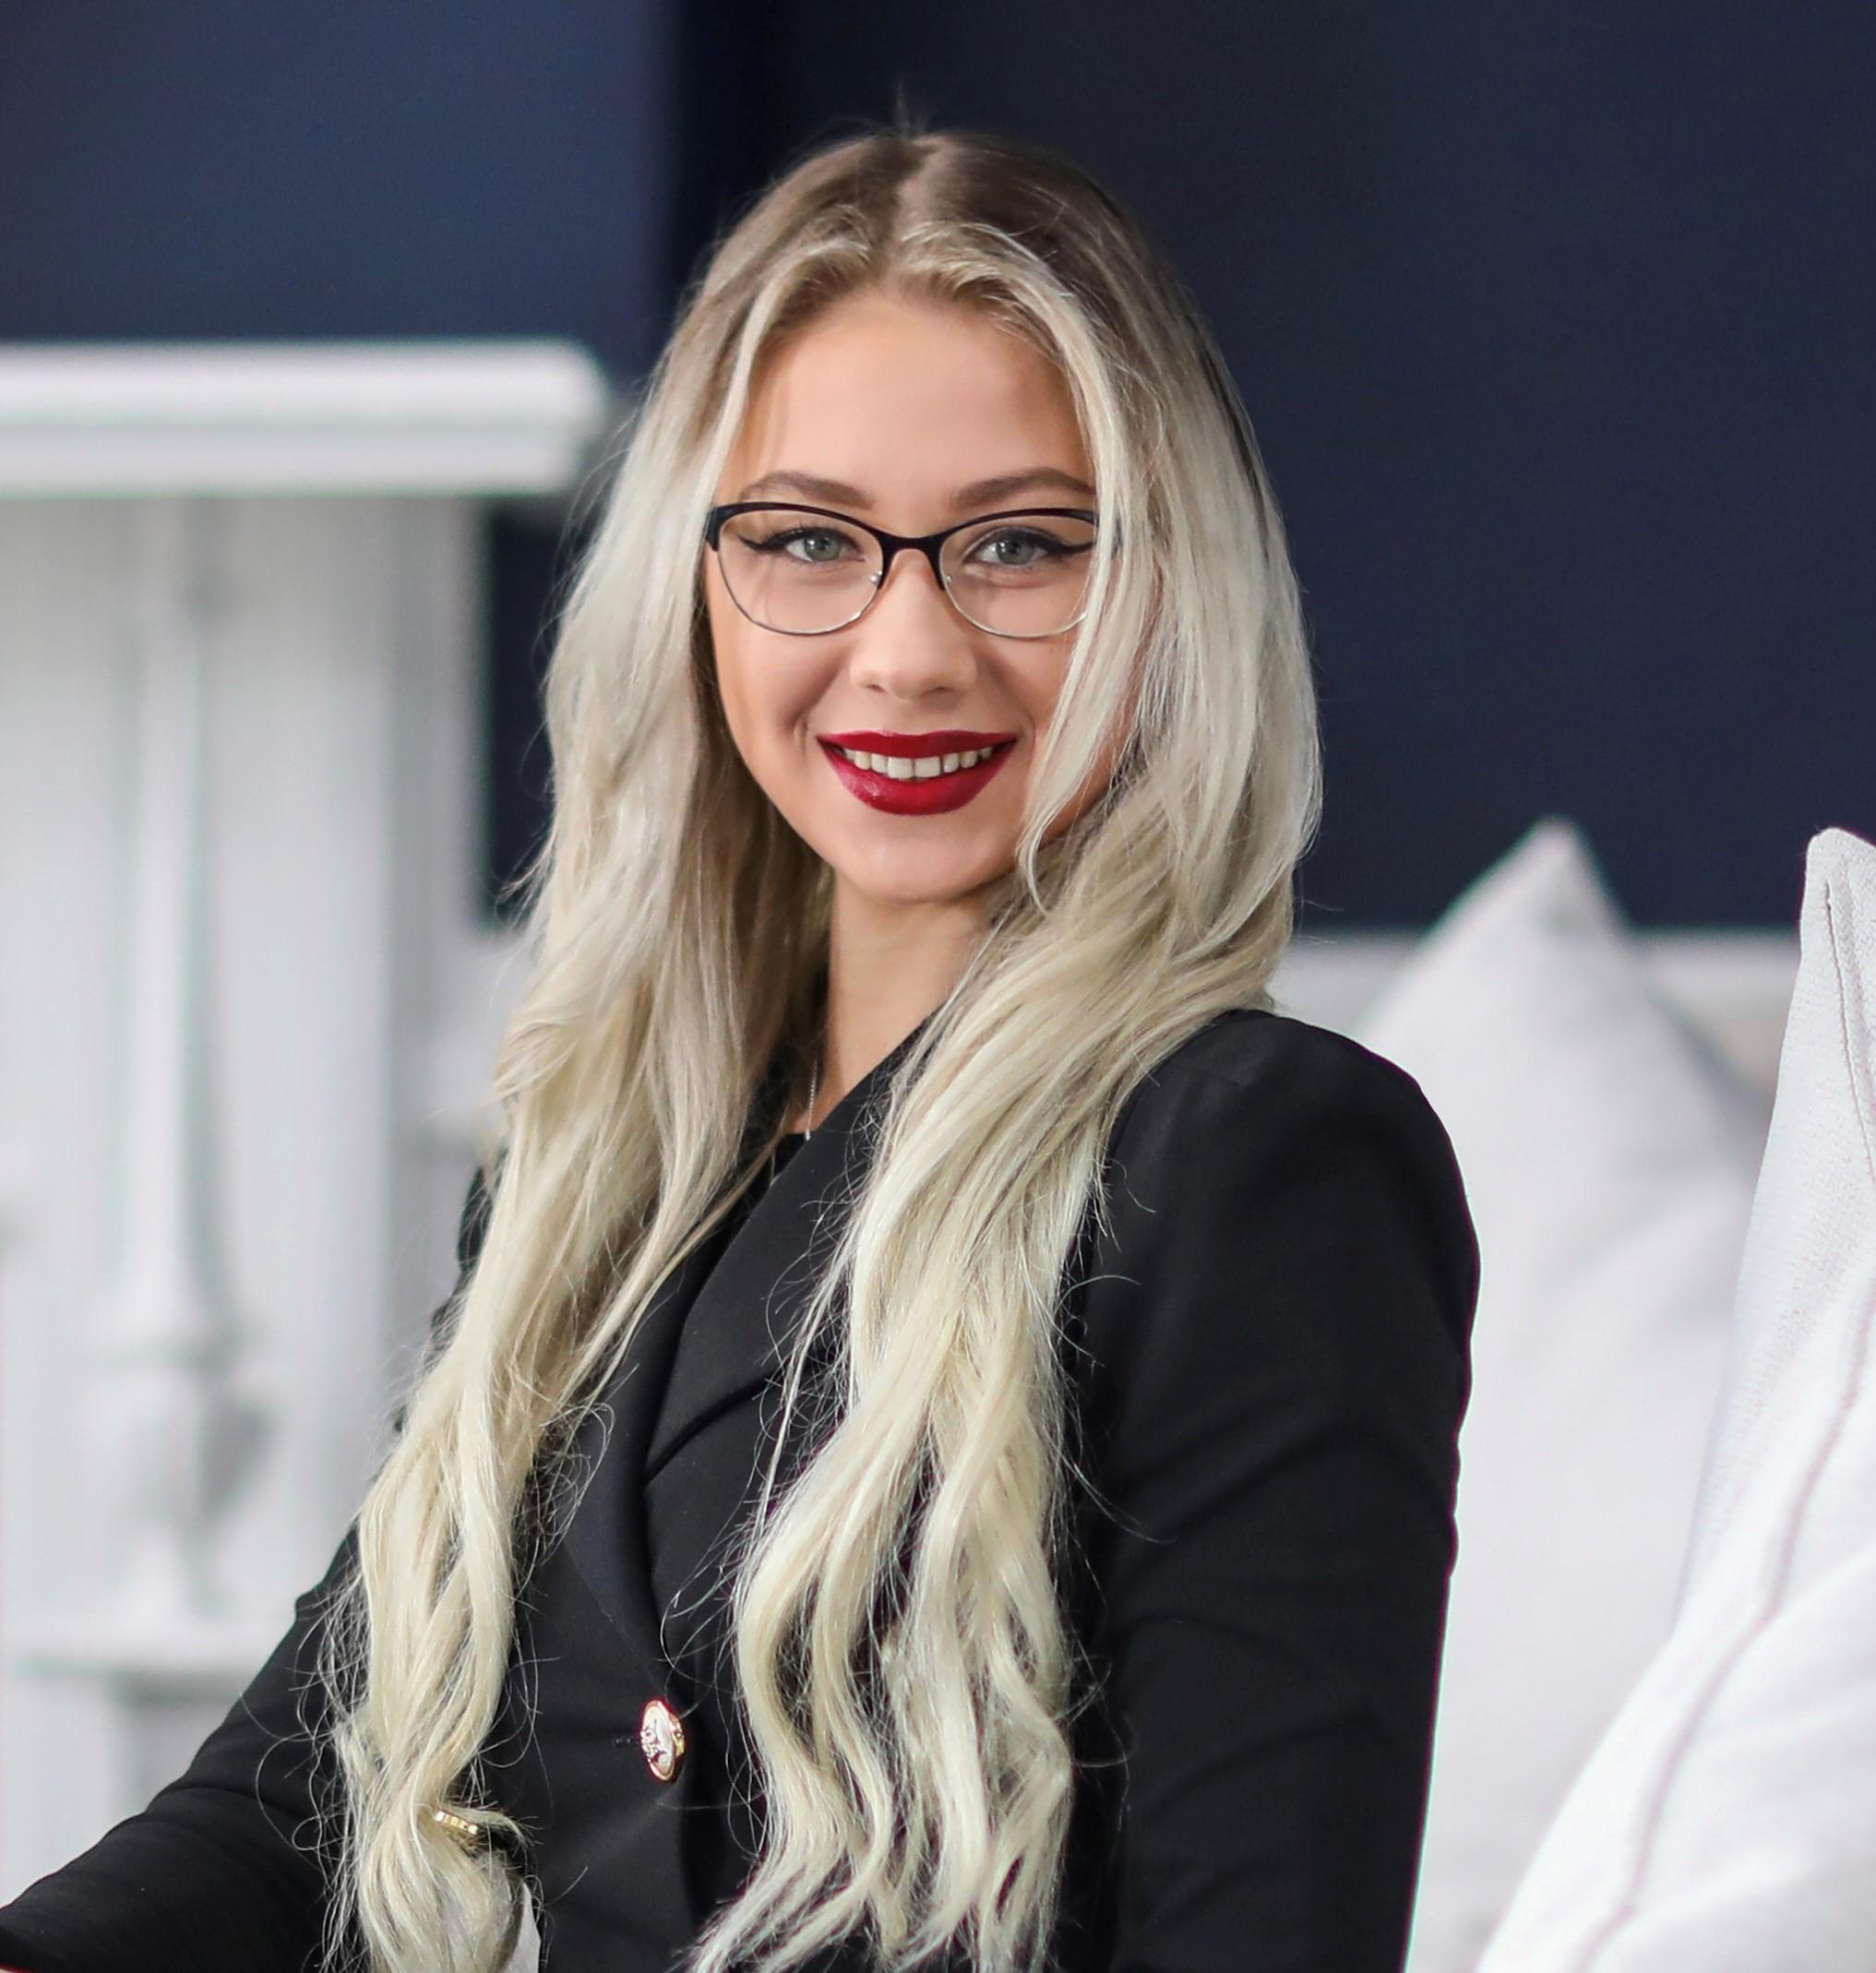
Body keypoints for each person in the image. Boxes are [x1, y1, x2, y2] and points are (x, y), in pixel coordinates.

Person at [0, 116, 1478, 1973]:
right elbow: (304, 1785)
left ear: (1170, 588)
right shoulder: (600, 1171)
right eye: (806, 540)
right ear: (695, 585)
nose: (908, 651)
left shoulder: (1263, 1157)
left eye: (1020, 544)